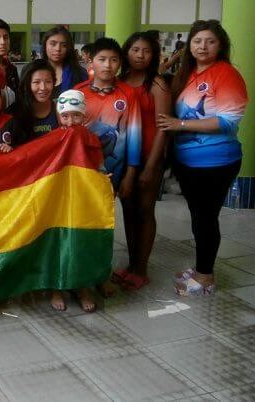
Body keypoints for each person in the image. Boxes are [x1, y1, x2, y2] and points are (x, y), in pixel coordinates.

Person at [157, 20, 248, 296]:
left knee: (206, 218)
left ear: (220, 45)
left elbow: (228, 121)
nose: (203, 46)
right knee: (198, 217)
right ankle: (200, 268)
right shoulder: (189, 73)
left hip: (216, 161)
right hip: (187, 161)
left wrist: (179, 125)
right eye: (197, 41)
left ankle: (205, 277)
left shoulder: (227, 74)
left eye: (210, 41)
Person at [75, 37, 142, 297]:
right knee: (80, 225)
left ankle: (101, 275)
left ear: (119, 64)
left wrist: (130, 174)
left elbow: (134, 136)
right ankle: (80, 278)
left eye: (113, 60)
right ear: (91, 61)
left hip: (113, 174)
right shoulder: (78, 92)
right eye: (102, 59)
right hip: (81, 173)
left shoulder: (128, 94)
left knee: (104, 225)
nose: (107, 65)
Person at [114, 31, 171, 291]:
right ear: (127, 52)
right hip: (126, 158)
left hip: (150, 157)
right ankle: (131, 263)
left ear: (154, 55)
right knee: (128, 211)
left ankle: (142, 268)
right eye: (135, 50)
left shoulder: (157, 84)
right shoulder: (120, 81)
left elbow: (163, 127)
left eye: (146, 51)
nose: (140, 55)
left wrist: (150, 166)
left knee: (145, 211)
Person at [49, 89, 99, 312]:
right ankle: (56, 287)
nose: (71, 121)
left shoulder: (91, 138)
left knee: (80, 241)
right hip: (57, 200)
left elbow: (99, 163)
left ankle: (82, 287)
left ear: (83, 115)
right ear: (59, 117)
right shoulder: (52, 139)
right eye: (65, 116)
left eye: (76, 115)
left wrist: (103, 178)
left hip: (82, 200)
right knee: (57, 242)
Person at [15, 58, 58, 140]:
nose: (43, 88)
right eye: (36, 82)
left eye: (48, 82)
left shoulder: (61, 110)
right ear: (27, 84)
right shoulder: (15, 113)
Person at [41, 25, 88, 98]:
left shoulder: (80, 74)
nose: (58, 49)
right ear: (45, 45)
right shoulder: (33, 71)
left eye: (64, 45)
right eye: (53, 44)